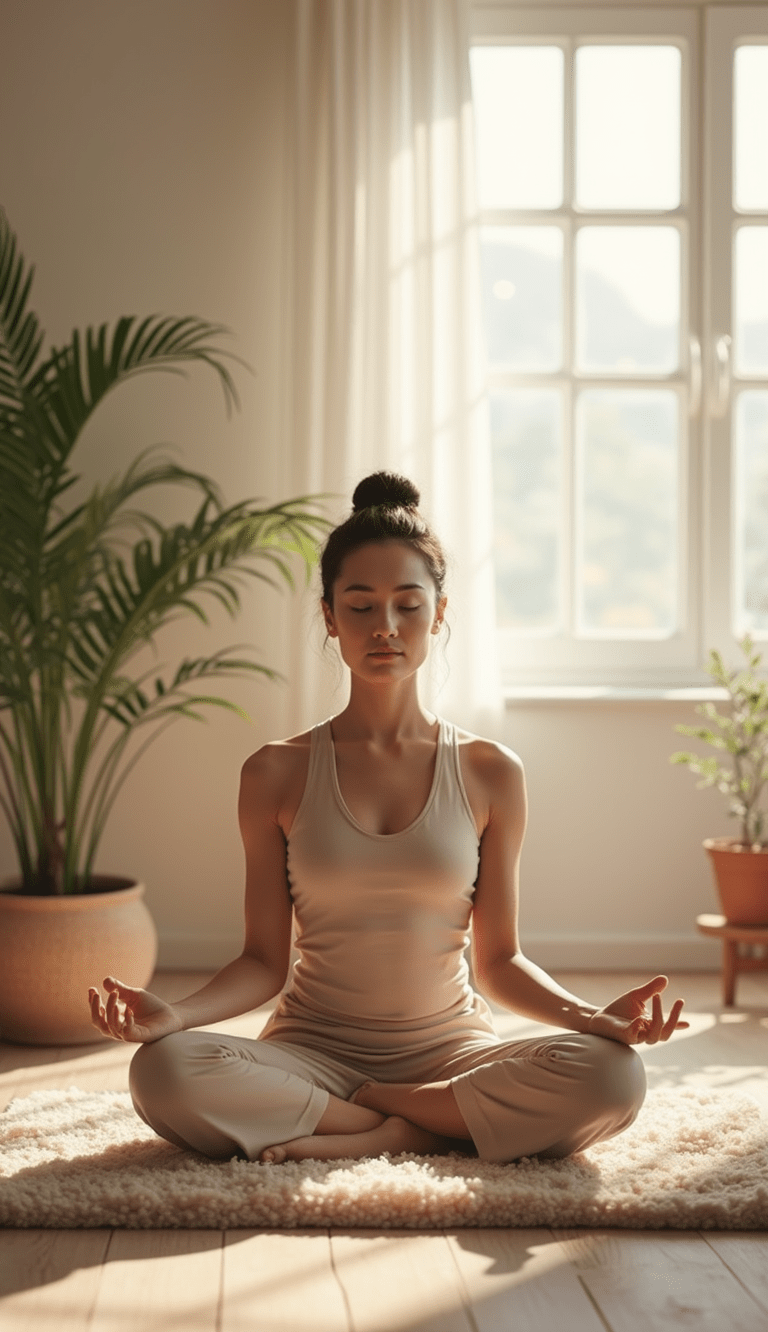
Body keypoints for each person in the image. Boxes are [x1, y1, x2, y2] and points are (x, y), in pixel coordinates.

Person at [89, 470, 688, 1165]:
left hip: (452, 1055)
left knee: (613, 1074)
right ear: (328, 615)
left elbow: (499, 962)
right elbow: (261, 961)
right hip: (309, 1054)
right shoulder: (273, 772)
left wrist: (592, 1019)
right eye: (361, 605)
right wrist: (177, 1015)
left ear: (438, 614)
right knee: (162, 1071)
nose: (385, 628)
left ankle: (379, 1123)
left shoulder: (491, 771)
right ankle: (427, 1127)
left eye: (407, 606)